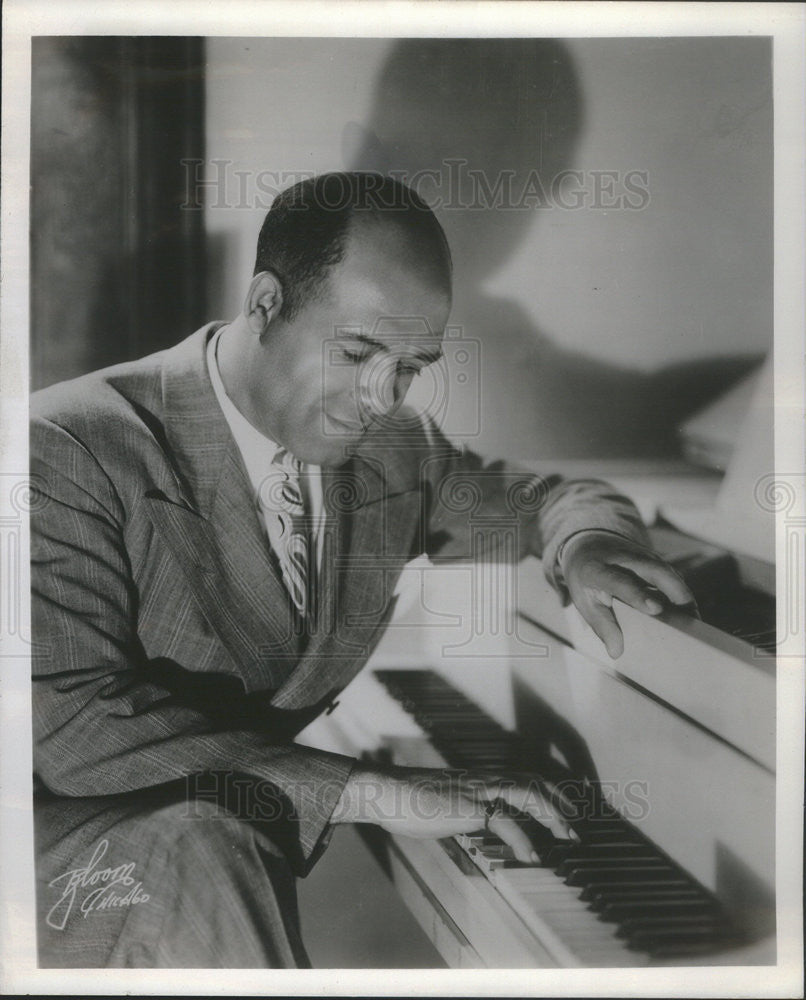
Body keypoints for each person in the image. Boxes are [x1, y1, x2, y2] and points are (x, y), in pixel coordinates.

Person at [30, 173, 695, 967]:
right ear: (267, 303)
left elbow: (546, 498)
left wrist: (584, 543)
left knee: (213, 839)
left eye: (413, 364)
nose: (384, 395)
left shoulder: (392, 449)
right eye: (357, 352)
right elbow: (70, 730)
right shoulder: (65, 446)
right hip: (55, 851)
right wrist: (375, 792)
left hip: (226, 835)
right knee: (204, 843)